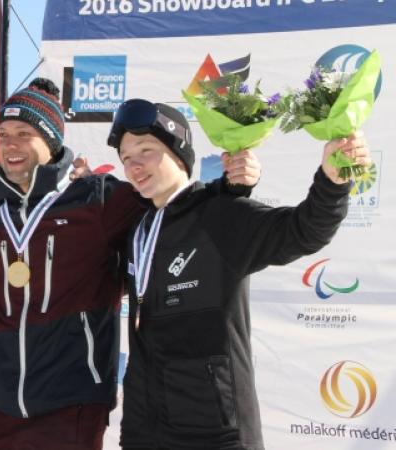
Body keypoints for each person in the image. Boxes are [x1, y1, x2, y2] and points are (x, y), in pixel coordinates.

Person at [0, 79, 259, 449]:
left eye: (23, 133)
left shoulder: (100, 199)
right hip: (4, 402)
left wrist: (231, 188)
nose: (9, 144)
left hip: (71, 399)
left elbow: (173, 204)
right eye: (2, 134)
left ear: (51, 141)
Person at [107, 98, 371, 450]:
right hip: (145, 429)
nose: (135, 165)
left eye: (146, 150)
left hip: (215, 431)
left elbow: (303, 231)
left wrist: (332, 182)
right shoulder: (138, 230)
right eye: (126, 158)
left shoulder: (221, 217)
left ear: (179, 153)